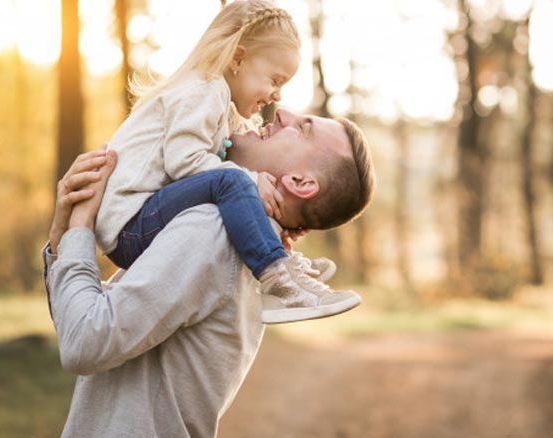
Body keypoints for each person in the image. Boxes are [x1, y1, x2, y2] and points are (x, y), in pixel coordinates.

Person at [43, 107, 375, 438]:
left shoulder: (216, 229)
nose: (282, 113)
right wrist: (62, 240)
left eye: (302, 129)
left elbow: (84, 341)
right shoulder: (247, 241)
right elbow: (85, 320)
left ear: (300, 182)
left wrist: (81, 228)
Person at [95, 0, 357, 324]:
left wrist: (273, 224)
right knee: (232, 180)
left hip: (144, 218)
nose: (277, 97)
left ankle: (280, 257)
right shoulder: (202, 90)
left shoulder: (220, 101)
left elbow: (235, 151)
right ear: (238, 58)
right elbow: (185, 162)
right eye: (275, 80)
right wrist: (248, 179)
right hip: (129, 225)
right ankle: (279, 283)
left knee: (235, 180)